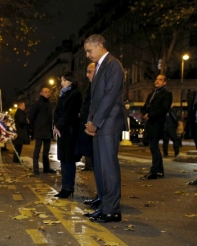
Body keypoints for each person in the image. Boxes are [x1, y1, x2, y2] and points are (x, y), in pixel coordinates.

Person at [84, 34, 128, 223]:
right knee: (100, 167)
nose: (87, 55)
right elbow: (95, 100)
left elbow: (109, 97)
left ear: (100, 46)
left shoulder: (113, 64)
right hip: (100, 123)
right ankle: (103, 205)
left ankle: (112, 210)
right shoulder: (101, 66)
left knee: (108, 168)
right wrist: (89, 121)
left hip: (109, 123)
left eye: (89, 50)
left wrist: (96, 122)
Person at [53, 71, 83, 198]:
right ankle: (65, 187)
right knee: (63, 160)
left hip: (69, 130)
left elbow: (71, 112)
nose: (62, 83)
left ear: (71, 81)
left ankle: (68, 187)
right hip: (63, 130)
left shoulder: (75, 93)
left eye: (64, 80)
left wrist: (58, 124)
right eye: (61, 81)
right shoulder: (63, 94)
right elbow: (58, 111)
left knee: (69, 160)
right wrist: (56, 125)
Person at [141, 75, 172, 179]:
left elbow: (164, 109)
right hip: (149, 123)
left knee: (154, 147)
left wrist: (150, 115)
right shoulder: (151, 94)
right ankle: (159, 171)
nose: (157, 81)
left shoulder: (167, 94)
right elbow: (145, 106)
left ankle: (154, 171)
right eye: (156, 79)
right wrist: (144, 113)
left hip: (157, 123)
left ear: (165, 83)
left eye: (160, 79)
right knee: (153, 147)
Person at [29, 86, 56, 175]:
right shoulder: (37, 104)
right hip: (39, 131)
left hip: (48, 131)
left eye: (48, 91)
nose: (47, 93)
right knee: (37, 151)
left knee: (46, 151)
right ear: (41, 93)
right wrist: (34, 127)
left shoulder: (50, 103)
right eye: (45, 92)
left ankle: (46, 168)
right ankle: (35, 169)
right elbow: (31, 116)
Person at [76, 62, 95, 172]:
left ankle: (90, 165)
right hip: (88, 120)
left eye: (89, 71)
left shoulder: (97, 86)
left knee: (89, 144)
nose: (87, 75)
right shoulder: (90, 85)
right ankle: (89, 165)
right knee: (87, 144)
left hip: (91, 121)